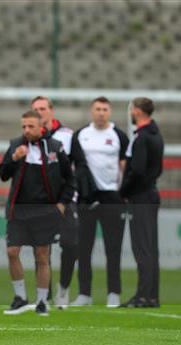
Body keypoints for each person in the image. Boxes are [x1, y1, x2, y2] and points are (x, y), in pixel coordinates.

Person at [0, 110, 76, 316]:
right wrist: (13, 159)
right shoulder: (16, 145)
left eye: (30, 126)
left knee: (42, 256)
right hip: (19, 212)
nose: (26, 130)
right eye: (24, 126)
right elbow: (2, 174)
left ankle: (42, 302)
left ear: (41, 126)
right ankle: (20, 298)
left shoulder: (54, 147)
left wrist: (62, 203)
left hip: (45, 213)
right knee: (12, 252)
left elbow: (70, 179)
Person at [69, 97, 129, 307]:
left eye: (105, 109)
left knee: (113, 247)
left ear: (110, 112)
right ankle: (85, 293)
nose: (101, 113)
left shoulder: (119, 136)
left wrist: (124, 193)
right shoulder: (81, 135)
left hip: (112, 196)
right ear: (91, 111)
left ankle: (114, 293)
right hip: (87, 198)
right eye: (97, 109)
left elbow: (124, 166)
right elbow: (73, 167)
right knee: (83, 247)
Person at [31, 96, 78, 307]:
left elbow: (77, 167)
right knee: (41, 250)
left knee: (70, 245)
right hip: (40, 202)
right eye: (35, 109)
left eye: (42, 108)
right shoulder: (29, 137)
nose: (39, 112)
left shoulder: (67, 136)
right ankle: (45, 296)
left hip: (65, 201)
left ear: (51, 110)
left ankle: (64, 289)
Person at [120, 97, 164, 308]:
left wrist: (124, 191)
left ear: (137, 111)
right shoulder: (156, 135)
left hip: (141, 197)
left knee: (142, 248)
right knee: (150, 248)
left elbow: (136, 170)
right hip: (151, 194)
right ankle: (151, 295)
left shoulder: (142, 138)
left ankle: (143, 296)